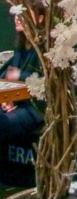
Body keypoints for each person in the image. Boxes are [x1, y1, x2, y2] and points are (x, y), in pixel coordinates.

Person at [0, 11, 43, 142]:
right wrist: (5, 99)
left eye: (23, 14)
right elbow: (6, 77)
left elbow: (46, 83)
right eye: (16, 15)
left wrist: (20, 75)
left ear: (40, 18)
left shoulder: (46, 49)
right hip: (14, 103)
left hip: (34, 109)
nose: (17, 18)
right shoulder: (21, 49)